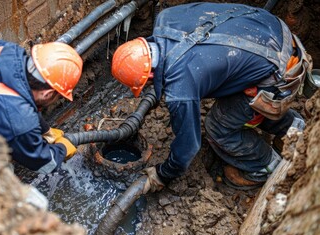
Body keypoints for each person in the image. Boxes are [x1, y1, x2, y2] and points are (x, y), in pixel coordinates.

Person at [111, 2, 312, 191]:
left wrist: (162, 175)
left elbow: (188, 147)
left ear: (150, 75)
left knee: (218, 126)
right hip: (275, 31)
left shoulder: (180, 88)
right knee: (236, 91)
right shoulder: (166, 17)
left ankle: (263, 165)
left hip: (282, 72)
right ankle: (293, 127)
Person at [0, 40, 82, 174]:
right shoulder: (19, 119)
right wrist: (63, 147)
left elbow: (22, 93)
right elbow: (46, 164)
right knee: (2, 171)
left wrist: (45, 129)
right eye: (58, 96)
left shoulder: (2, 49)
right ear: (48, 94)